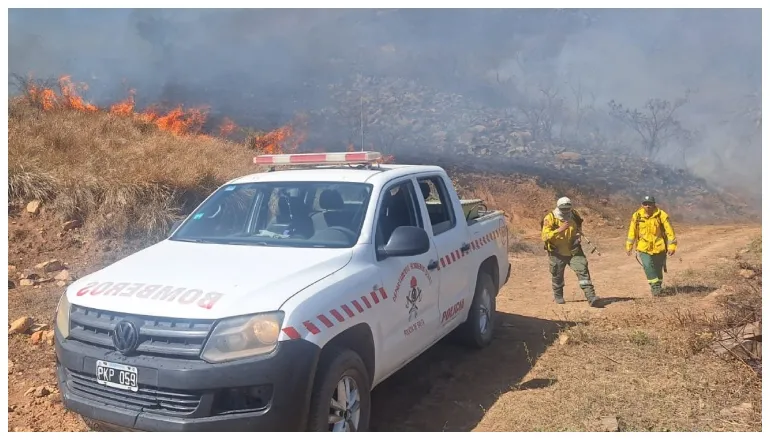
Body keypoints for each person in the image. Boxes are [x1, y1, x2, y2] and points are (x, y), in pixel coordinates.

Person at [541, 197, 600, 306]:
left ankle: (591, 297)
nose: (565, 211)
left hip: (574, 249)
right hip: (557, 252)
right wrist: (559, 230)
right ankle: (558, 295)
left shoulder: (574, 215)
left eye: (567, 208)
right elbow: (544, 236)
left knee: (583, 270)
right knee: (557, 275)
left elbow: (579, 225)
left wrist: (578, 235)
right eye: (563, 209)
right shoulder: (550, 218)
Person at [625, 195, 678, 297]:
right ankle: (655, 288)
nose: (647, 206)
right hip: (643, 247)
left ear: (654, 205)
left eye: (650, 204)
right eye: (645, 204)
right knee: (648, 266)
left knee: (658, 269)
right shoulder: (637, 216)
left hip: (659, 247)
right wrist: (629, 246)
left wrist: (672, 247)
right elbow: (632, 232)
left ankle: (658, 286)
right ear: (642, 205)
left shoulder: (661, 215)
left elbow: (670, 232)